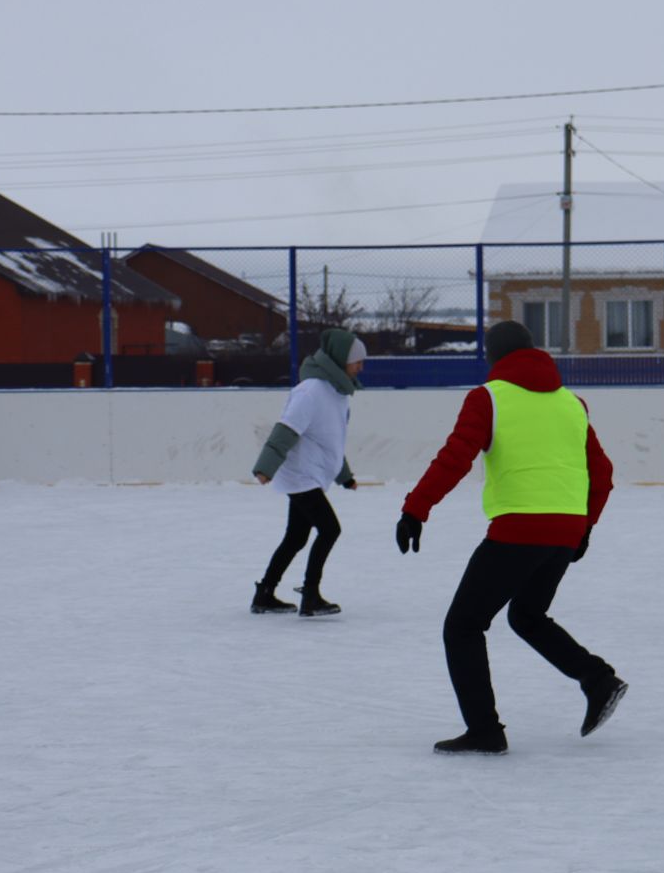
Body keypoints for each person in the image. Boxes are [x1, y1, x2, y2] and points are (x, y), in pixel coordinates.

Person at [395, 320, 625, 754]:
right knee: (527, 616)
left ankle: (484, 729)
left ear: (492, 357)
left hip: (519, 528)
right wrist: (585, 526)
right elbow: (603, 474)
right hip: (566, 527)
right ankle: (597, 679)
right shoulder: (571, 404)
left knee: (462, 626)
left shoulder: (489, 397)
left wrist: (415, 508)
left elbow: (455, 457)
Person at [249, 327, 363, 617]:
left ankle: (265, 593)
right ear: (339, 360)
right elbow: (286, 430)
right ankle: (310, 594)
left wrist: (344, 475)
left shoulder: (338, 393)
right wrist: (266, 467)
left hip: (310, 474)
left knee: (296, 537)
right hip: (300, 475)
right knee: (330, 529)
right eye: (356, 361)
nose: (360, 367)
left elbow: (330, 440)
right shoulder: (311, 391)